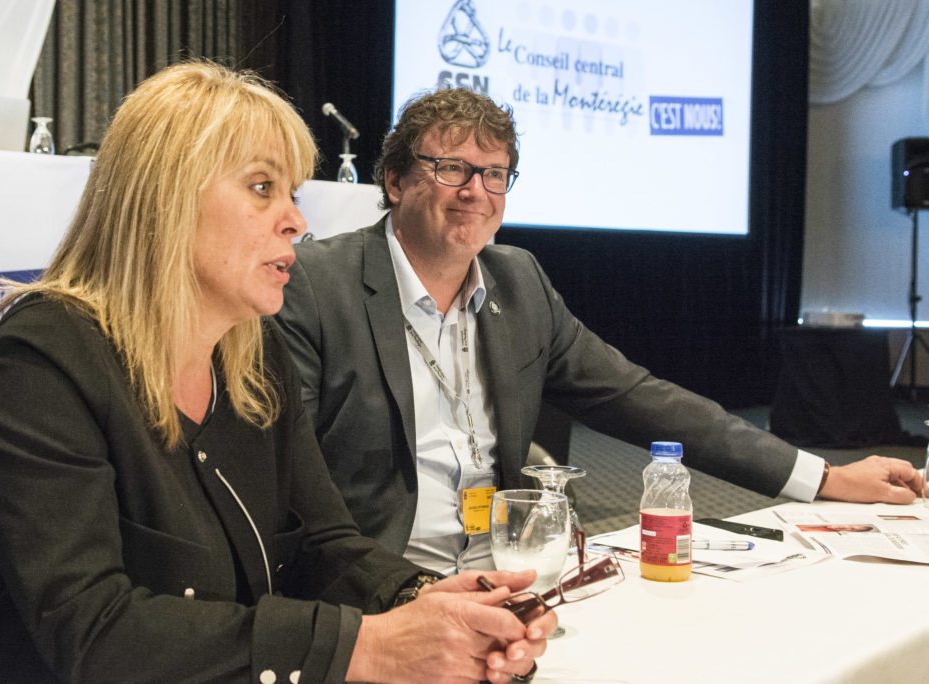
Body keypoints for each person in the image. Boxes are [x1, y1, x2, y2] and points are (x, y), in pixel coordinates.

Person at [0, 63, 554, 683]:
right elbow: (93, 632)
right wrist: (368, 646)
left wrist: (427, 599)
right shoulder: (46, 355)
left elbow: (321, 543)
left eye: (293, 193)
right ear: (168, 197)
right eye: (262, 187)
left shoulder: (251, 357)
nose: (296, 220)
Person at [274, 86, 925, 574]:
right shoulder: (316, 284)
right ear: (394, 180)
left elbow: (640, 398)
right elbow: (291, 487)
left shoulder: (517, 280)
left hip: (511, 572)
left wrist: (826, 479)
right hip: (382, 587)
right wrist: (405, 597)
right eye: (451, 168)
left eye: (494, 173)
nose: (474, 190)